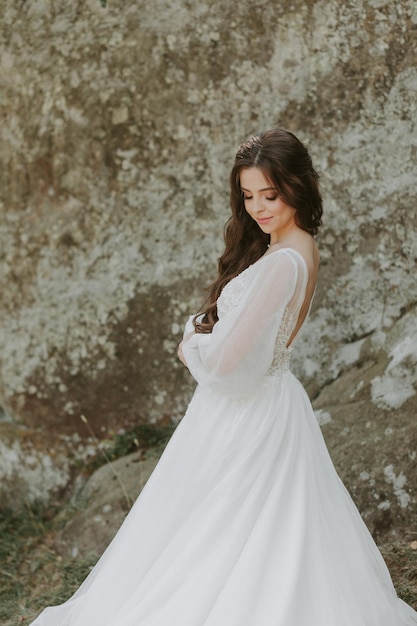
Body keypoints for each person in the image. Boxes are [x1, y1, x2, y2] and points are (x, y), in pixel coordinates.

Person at [31, 128, 417, 625]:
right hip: (269, 401)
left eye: (270, 195)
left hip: (250, 411)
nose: (258, 207)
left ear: (298, 186)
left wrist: (190, 346)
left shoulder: (282, 262)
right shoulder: (297, 246)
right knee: (253, 526)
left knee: (221, 525)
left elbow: (230, 360)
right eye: (248, 195)